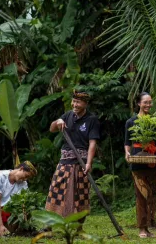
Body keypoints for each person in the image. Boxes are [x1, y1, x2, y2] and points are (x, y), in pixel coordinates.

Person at [45, 90, 101, 219]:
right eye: (73, 101)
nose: (74, 104)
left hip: (80, 162)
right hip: (65, 161)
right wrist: (58, 121)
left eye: (78, 102)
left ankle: (79, 226)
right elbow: (52, 128)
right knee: (56, 190)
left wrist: (89, 163)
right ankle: (49, 225)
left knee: (80, 194)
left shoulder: (92, 120)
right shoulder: (67, 115)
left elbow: (92, 143)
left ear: (85, 104)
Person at [124, 92, 156, 239]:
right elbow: (128, 142)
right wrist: (127, 153)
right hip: (138, 162)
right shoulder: (131, 122)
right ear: (139, 103)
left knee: (152, 195)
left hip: (152, 161)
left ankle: (149, 227)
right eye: (145, 102)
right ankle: (141, 228)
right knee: (141, 195)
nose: (148, 105)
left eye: (150, 102)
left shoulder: (154, 121)